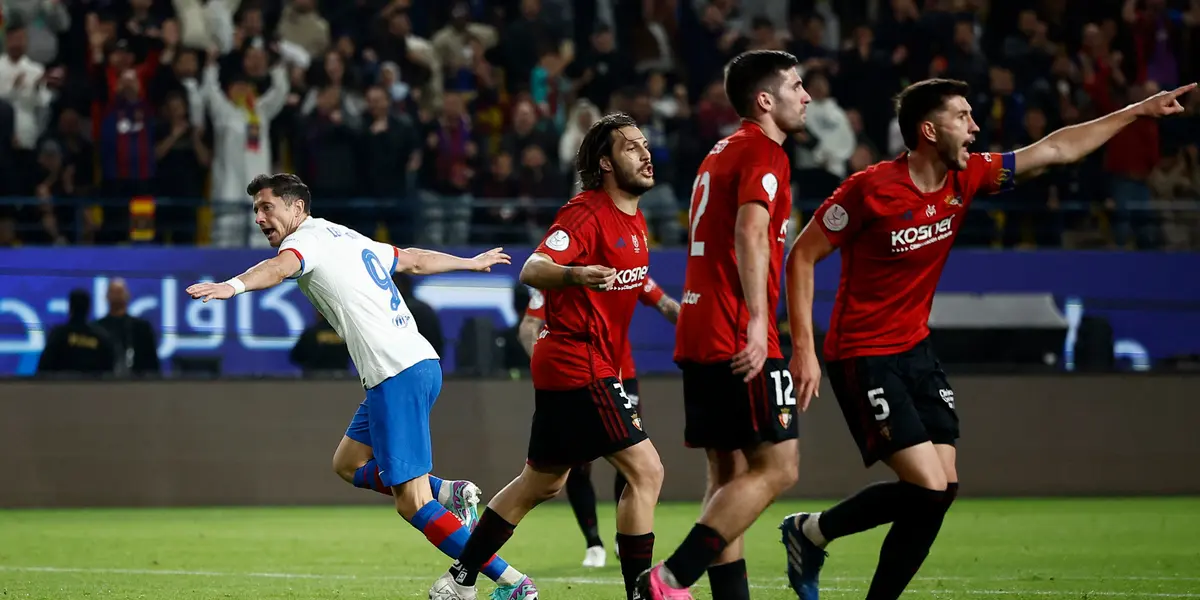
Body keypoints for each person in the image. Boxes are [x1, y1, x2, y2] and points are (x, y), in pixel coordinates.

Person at [781, 78, 1196, 600]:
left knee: (942, 487)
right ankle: (816, 538)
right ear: (930, 130)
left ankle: (812, 533)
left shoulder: (971, 175)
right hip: (863, 356)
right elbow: (802, 255)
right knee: (929, 487)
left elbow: (1057, 148)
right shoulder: (869, 189)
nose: (976, 128)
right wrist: (803, 347)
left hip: (916, 348)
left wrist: (1137, 110)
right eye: (964, 117)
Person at [184, 173, 535, 600]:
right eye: (256, 209)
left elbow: (277, 269)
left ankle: (512, 582)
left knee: (412, 503)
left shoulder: (306, 242)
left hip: (395, 372)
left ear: (296, 208)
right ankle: (450, 491)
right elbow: (412, 259)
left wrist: (232, 286)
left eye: (266, 207)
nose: (259, 217)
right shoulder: (343, 236)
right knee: (348, 463)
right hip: (415, 363)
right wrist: (468, 262)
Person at [429, 113, 665, 600]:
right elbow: (534, 267)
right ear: (605, 163)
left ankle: (459, 580)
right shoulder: (585, 212)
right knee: (647, 471)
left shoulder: (636, 219)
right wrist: (577, 275)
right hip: (576, 359)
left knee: (540, 482)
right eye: (631, 148)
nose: (645, 154)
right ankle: (642, 595)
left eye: (646, 145)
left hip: (584, 362)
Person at [639, 49, 811, 600]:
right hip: (736, 329)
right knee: (780, 467)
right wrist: (762, 323)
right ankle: (669, 579)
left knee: (728, 471)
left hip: (698, 324)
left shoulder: (720, 151)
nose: (806, 96)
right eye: (796, 86)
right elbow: (749, 233)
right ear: (766, 100)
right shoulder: (764, 151)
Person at [518, 277, 680, 568]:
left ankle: (625, 535)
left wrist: (700, 326)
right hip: (576, 378)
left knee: (634, 459)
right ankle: (593, 543)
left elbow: (666, 305)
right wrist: (544, 366)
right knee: (573, 468)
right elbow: (529, 326)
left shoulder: (631, 272)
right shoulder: (558, 279)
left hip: (620, 375)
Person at [37, 289, 117, 376]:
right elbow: (110, 372)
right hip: (93, 388)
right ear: (88, 308)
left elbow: (43, 370)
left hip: (62, 387)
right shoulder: (101, 337)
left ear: (70, 307)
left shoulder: (59, 335)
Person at [95, 278, 161, 377]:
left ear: (127, 295)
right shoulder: (97, 328)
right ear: (107, 296)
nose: (117, 296)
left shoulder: (142, 328)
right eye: (113, 292)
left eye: (120, 292)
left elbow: (152, 363)